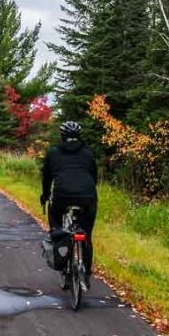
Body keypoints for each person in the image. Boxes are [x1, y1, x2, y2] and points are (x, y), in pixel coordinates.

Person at [40, 121, 98, 291]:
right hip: (88, 197)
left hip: (61, 196)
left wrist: (44, 196)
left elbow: (46, 179)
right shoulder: (88, 154)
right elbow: (94, 178)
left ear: (62, 136)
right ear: (79, 137)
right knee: (86, 236)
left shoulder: (53, 153)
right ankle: (85, 274)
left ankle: (61, 252)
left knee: (57, 223)